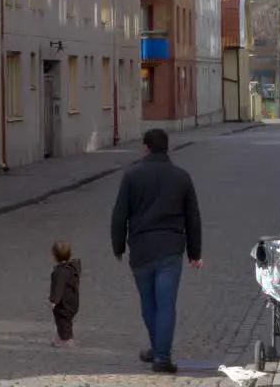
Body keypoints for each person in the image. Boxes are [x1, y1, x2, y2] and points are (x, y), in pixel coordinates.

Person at [110, 128, 202, 374]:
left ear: (145, 147)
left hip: (141, 250)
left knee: (148, 303)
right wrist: (195, 253)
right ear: (167, 147)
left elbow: (120, 215)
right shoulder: (181, 177)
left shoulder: (132, 176)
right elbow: (193, 217)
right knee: (166, 304)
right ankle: (161, 355)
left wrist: (118, 246)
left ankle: (157, 349)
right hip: (171, 250)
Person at [48, 240, 81, 348]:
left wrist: (54, 301)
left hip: (64, 303)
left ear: (55, 257)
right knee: (65, 321)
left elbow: (58, 287)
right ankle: (60, 336)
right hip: (72, 300)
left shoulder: (60, 272)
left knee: (63, 321)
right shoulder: (71, 269)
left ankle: (66, 340)